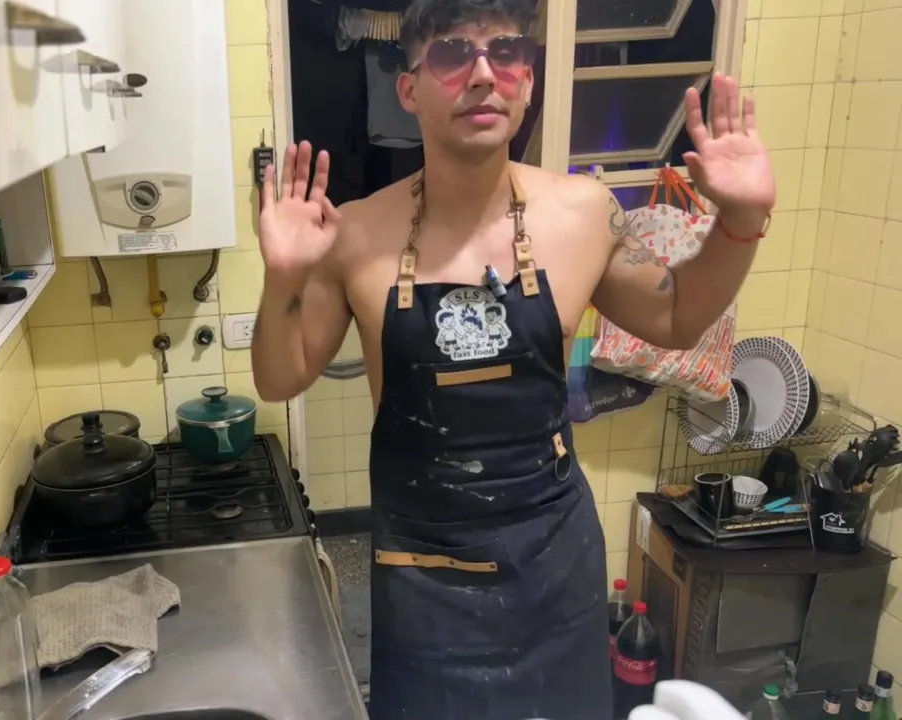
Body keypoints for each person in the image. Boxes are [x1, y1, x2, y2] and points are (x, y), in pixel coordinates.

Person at [249, 0, 776, 717]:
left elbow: (678, 317)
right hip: (422, 578)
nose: (482, 74)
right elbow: (280, 377)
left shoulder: (584, 215)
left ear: (527, 80)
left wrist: (740, 220)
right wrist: (282, 279)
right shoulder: (357, 234)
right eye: (450, 54)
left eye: (505, 52)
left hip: (554, 570)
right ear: (409, 89)